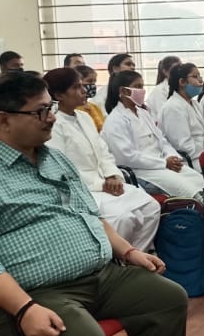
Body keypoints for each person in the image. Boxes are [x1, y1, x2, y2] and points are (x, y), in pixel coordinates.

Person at [0, 72, 188, 336]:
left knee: (168, 299)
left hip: (97, 277)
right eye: (40, 111)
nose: (52, 117)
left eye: (50, 107)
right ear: (4, 119)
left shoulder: (54, 159)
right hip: (25, 294)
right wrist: (25, 308)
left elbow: (90, 215)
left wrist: (130, 251)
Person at [100, 70, 204, 262]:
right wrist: (162, 162)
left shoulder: (142, 113)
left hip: (163, 164)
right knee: (194, 196)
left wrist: (171, 157)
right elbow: (127, 156)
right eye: (138, 86)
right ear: (123, 91)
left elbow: (162, 140)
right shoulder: (115, 121)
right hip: (144, 171)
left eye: (141, 85)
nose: (142, 90)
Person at [44, 69, 161, 251]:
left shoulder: (84, 117)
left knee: (150, 207)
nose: (84, 91)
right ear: (59, 95)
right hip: (84, 189)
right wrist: (101, 184)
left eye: (83, 86)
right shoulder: (54, 124)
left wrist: (113, 175)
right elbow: (62, 168)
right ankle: (115, 261)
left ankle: (137, 257)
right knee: (123, 217)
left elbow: (103, 152)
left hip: (106, 181)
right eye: (76, 87)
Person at [158, 62, 204, 162]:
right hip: (192, 160)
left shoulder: (194, 103)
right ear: (182, 82)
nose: (201, 80)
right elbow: (184, 147)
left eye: (200, 76)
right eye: (195, 76)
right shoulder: (173, 108)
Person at [76, 65, 107, 131]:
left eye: (94, 82)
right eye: (89, 81)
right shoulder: (74, 109)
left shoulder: (94, 107)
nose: (93, 85)